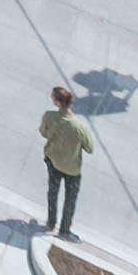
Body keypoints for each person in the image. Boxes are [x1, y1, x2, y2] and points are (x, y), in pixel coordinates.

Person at [39, 83, 92, 237]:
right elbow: (89, 148)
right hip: (72, 168)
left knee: (52, 192)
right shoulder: (80, 127)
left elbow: (43, 133)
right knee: (70, 199)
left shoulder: (49, 117)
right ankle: (64, 230)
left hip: (53, 161)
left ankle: (51, 221)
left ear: (57, 102)